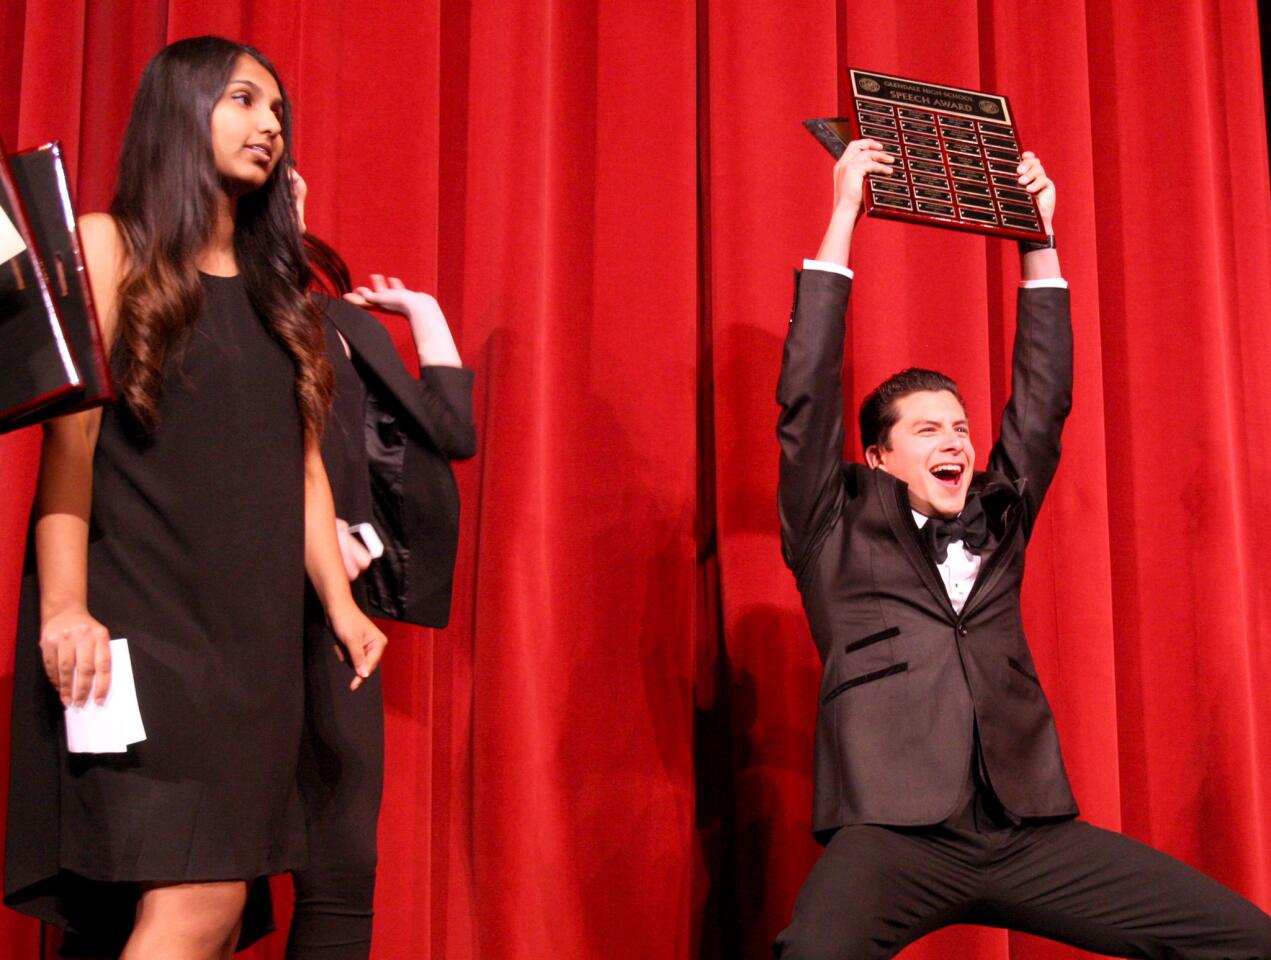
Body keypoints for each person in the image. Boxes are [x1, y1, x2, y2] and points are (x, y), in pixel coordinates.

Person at [773, 138, 1271, 959]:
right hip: (893, 835)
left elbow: (1041, 405)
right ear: (877, 457)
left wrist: (1036, 236)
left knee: (1245, 940)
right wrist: (842, 218)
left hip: (1023, 828)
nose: (955, 442)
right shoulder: (833, 521)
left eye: (960, 428)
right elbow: (805, 396)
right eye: (927, 429)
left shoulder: (999, 514)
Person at [4, 37, 386, 960]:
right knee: (199, 903)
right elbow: (73, 443)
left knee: (205, 918)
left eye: (279, 112)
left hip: (253, 654)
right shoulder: (109, 244)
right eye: (245, 101)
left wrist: (340, 604)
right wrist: (65, 609)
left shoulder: (274, 290)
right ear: (182, 108)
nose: (270, 126)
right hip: (144, 627)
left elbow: (299, 467)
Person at [287, 176, 476, 959]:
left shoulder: (332, 321)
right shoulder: (193, 302)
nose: (287, 190)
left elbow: (450, 432)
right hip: (227, 594)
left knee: (342, 867)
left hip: (336, 610)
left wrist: (423, 316)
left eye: (294, 187)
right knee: (200, 870)